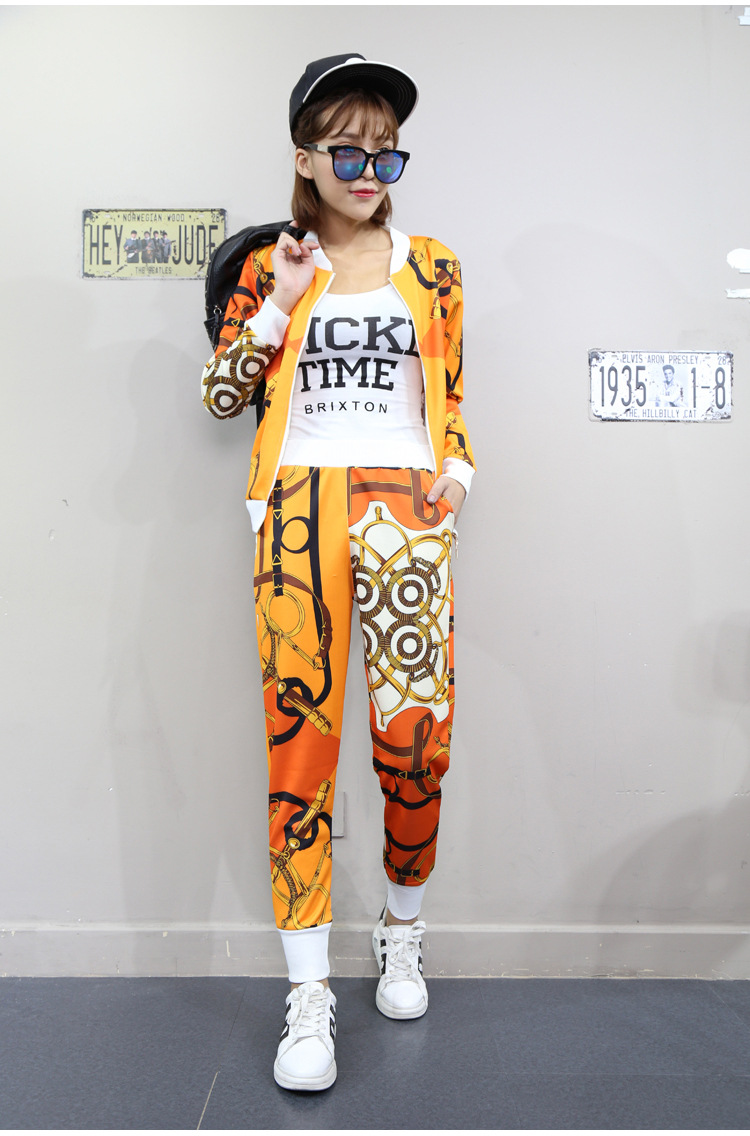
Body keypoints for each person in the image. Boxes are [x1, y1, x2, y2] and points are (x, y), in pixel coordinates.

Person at [201, 52, 475, 1092]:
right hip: (298, 508)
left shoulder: (435, 266)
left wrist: (455, 476)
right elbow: (222, 395)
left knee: (416, 743)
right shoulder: (267, 264)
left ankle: (402, 929)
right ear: (305, 156)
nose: (369, 171)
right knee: (299, 748)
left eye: (385, 152)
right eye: (348, 151)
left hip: (406, 510)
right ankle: (308, 988)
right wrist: (278, 302)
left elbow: (452, 398)